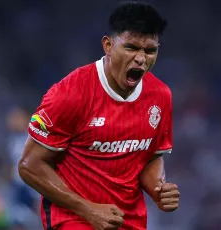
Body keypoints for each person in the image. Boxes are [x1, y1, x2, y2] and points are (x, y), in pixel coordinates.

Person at [18, 1, 180, 230]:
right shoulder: (70, 94)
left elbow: (150, 156)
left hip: (128, 221)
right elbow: (29, 165)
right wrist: (87, 208)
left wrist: (158, 189)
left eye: (150, 50)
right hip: (74, 219)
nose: (141, 58)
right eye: (132, 47)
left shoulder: (161, 96)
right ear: (108, 45)